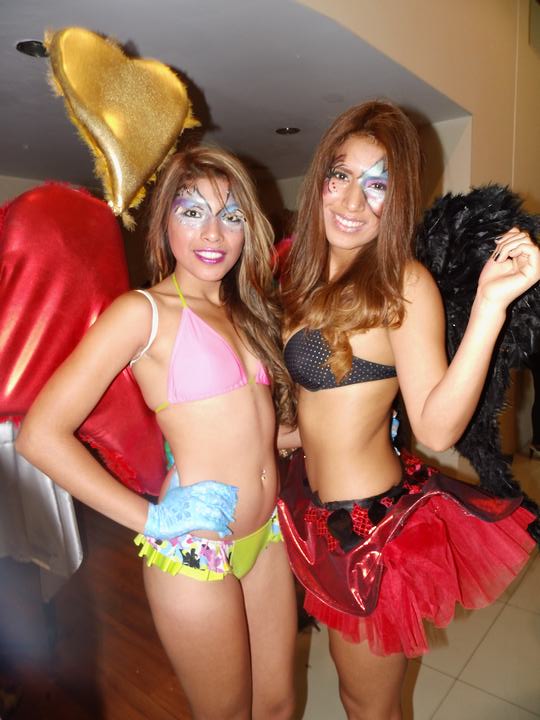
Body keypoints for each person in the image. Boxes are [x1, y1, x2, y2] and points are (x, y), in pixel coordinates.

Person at [277, 101, 539, 720]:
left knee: (367, 705)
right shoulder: (302, 279)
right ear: (320, 180)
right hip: (311, 513)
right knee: (359, 693)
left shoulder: (403, 282)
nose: (353, 201)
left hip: (367, 533)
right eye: (342, 176)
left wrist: (489, 307)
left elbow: (436, 427)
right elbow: (317, 406)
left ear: (396, 201)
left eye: (378, 186)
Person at [16, 146, 297, 720]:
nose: (213, 233)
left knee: (278, 704)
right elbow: (40, 436)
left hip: (265, 535)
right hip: (194, 547)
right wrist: (152, 519)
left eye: (231, 214)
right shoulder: (142, 313)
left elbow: (253, 431)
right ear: (164, 221)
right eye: (192, 212)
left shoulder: (250, 311)